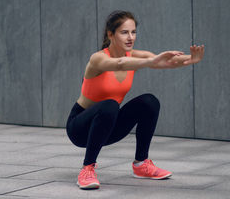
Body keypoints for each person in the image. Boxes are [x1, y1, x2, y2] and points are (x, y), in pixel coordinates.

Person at [66, 10, 204, 189]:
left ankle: (141, 164)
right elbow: (120, 63)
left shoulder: (136, 56)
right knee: (109, 105)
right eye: (124, 32)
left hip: (108, 127)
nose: (130, 37)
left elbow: (165, 61)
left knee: (149, 101)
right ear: (110, 34)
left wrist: (191, 59)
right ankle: (87, 169)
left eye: (133, 32)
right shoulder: (98, 59)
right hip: (80, 128)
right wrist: (149, 62)